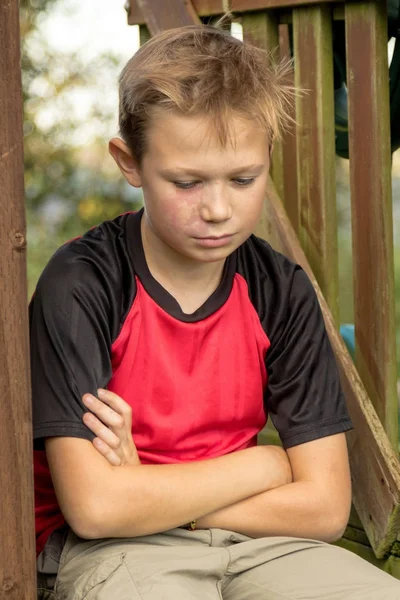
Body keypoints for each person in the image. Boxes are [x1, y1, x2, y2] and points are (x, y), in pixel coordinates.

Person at [31, 22, 400, 600]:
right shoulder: (83, 283)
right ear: (129, 163)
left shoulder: (280, 290)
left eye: (243, 178)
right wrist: (264, 467)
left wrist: (148, 489)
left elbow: (326, 507)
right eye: (186, 182)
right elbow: (97, 509)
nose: (218, 209)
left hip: (258, 542)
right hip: (117, 551)